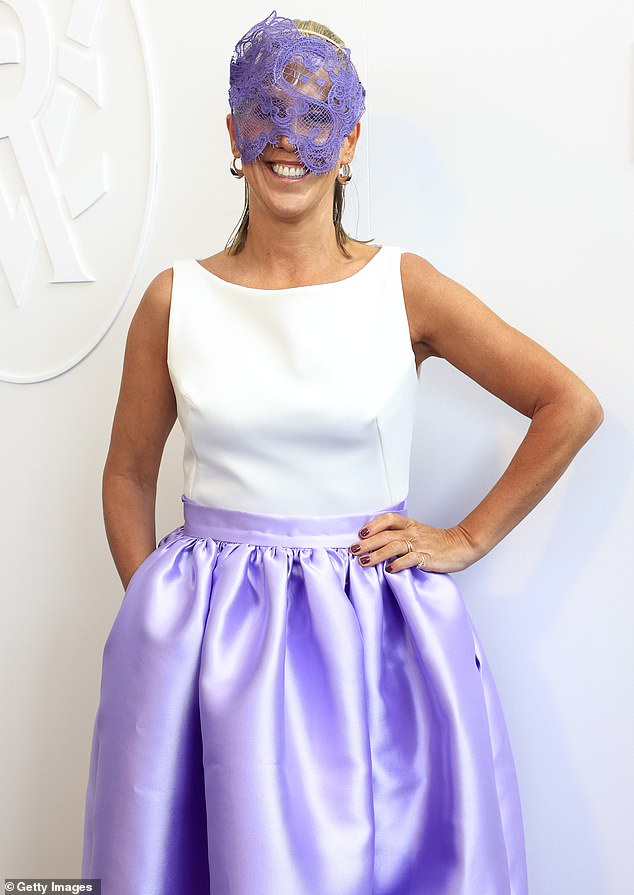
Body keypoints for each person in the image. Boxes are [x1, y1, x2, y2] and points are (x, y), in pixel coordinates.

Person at [81, 11, 603, 895]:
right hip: (213, 650)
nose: (287, 139)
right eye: (264, 110)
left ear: (351, 136)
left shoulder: (403, 287)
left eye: (315, 115)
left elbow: (569, 404)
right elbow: (128, 472)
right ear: (233, 132)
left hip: (371, 642)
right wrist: (156, 618)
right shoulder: (176, 301)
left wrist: (465, 539)